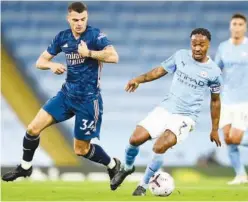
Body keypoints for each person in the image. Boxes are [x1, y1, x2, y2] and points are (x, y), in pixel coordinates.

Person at [2, 2, 121, 186]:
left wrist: (88, 53)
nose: (79, 23)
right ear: (68, 19)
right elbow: (40, 61)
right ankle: (25, 168)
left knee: (81, 150)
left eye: (83, 19)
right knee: (32, 129)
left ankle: (112, 165)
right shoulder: (62, 37)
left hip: (88, 100)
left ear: (86, 18)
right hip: (66, 96)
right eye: (75, 20)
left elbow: (114, 57)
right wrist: (51, 65)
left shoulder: (95, 35)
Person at [110, 28, 222, 195]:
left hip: (186, 117)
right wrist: (138, 79)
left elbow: (215, 101)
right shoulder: (180, 56)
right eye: (194, 44)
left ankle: (143, 185)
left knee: (159, 146)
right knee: (134, 139)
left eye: (201, 45)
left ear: (208, 45)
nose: (197, 48)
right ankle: (127, 168)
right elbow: (158, 71)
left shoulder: (214, 72)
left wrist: (214, 129)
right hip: (166, 108)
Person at [215, 13, 248, 185]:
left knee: (236, 138)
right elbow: (216, 69)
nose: (237, 27)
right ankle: (241, 175)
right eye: (234, 23)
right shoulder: (223, 47)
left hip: (245, 101)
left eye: (240, 24)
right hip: (226, 99)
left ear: (245, 27)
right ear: (230, 26)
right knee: (227, 138)